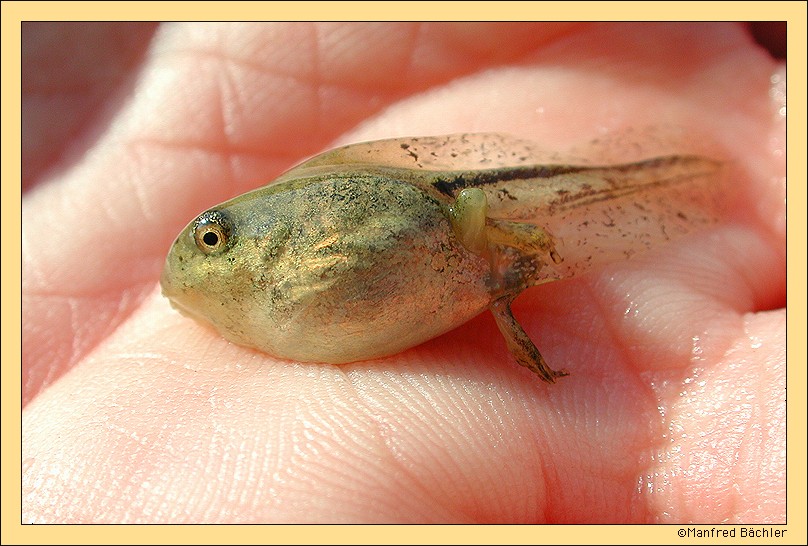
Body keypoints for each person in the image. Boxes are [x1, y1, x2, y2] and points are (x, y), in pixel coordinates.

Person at [21, 22, 785, 523]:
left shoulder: (344, 228)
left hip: (461, 231)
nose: (205, 255)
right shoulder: (277, 257)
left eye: (215, 239)